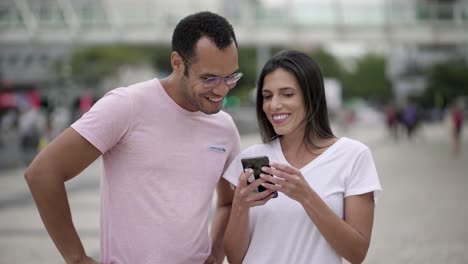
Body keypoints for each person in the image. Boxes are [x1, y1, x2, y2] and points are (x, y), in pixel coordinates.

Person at [25, 11, 242, 264]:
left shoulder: (224, 128)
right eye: (209, 78)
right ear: (177, 63)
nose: (222, 89)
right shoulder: (127, 105)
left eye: (231, 77)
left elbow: (229, 203)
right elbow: (42, 173)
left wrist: (216, 253)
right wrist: (77, 258)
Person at [223, 50, 382, 264]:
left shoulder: (353, 156)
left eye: (287, 94)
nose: (274, 105)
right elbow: (235, 258)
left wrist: (306, 196)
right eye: (267, 96)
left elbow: (356, 253)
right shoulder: (252, 158)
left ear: (311, 96)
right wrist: (240, 206)